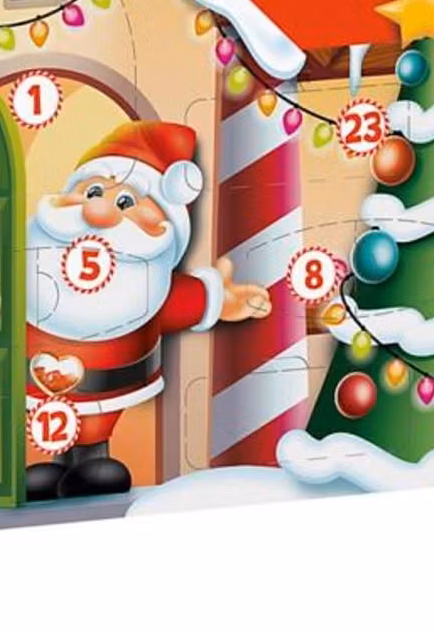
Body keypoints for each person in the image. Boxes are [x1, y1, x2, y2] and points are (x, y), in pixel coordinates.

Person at [25, 121, 272, 499]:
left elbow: (179, 301)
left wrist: (220, 298)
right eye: (92, 191)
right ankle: (60, 465)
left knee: (93, 428)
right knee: (58, 422)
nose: (98, 209)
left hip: (109, 383)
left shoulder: (147, 284)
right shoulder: (33, 260)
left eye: (126, 202)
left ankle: (91, 463)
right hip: (39, 377)